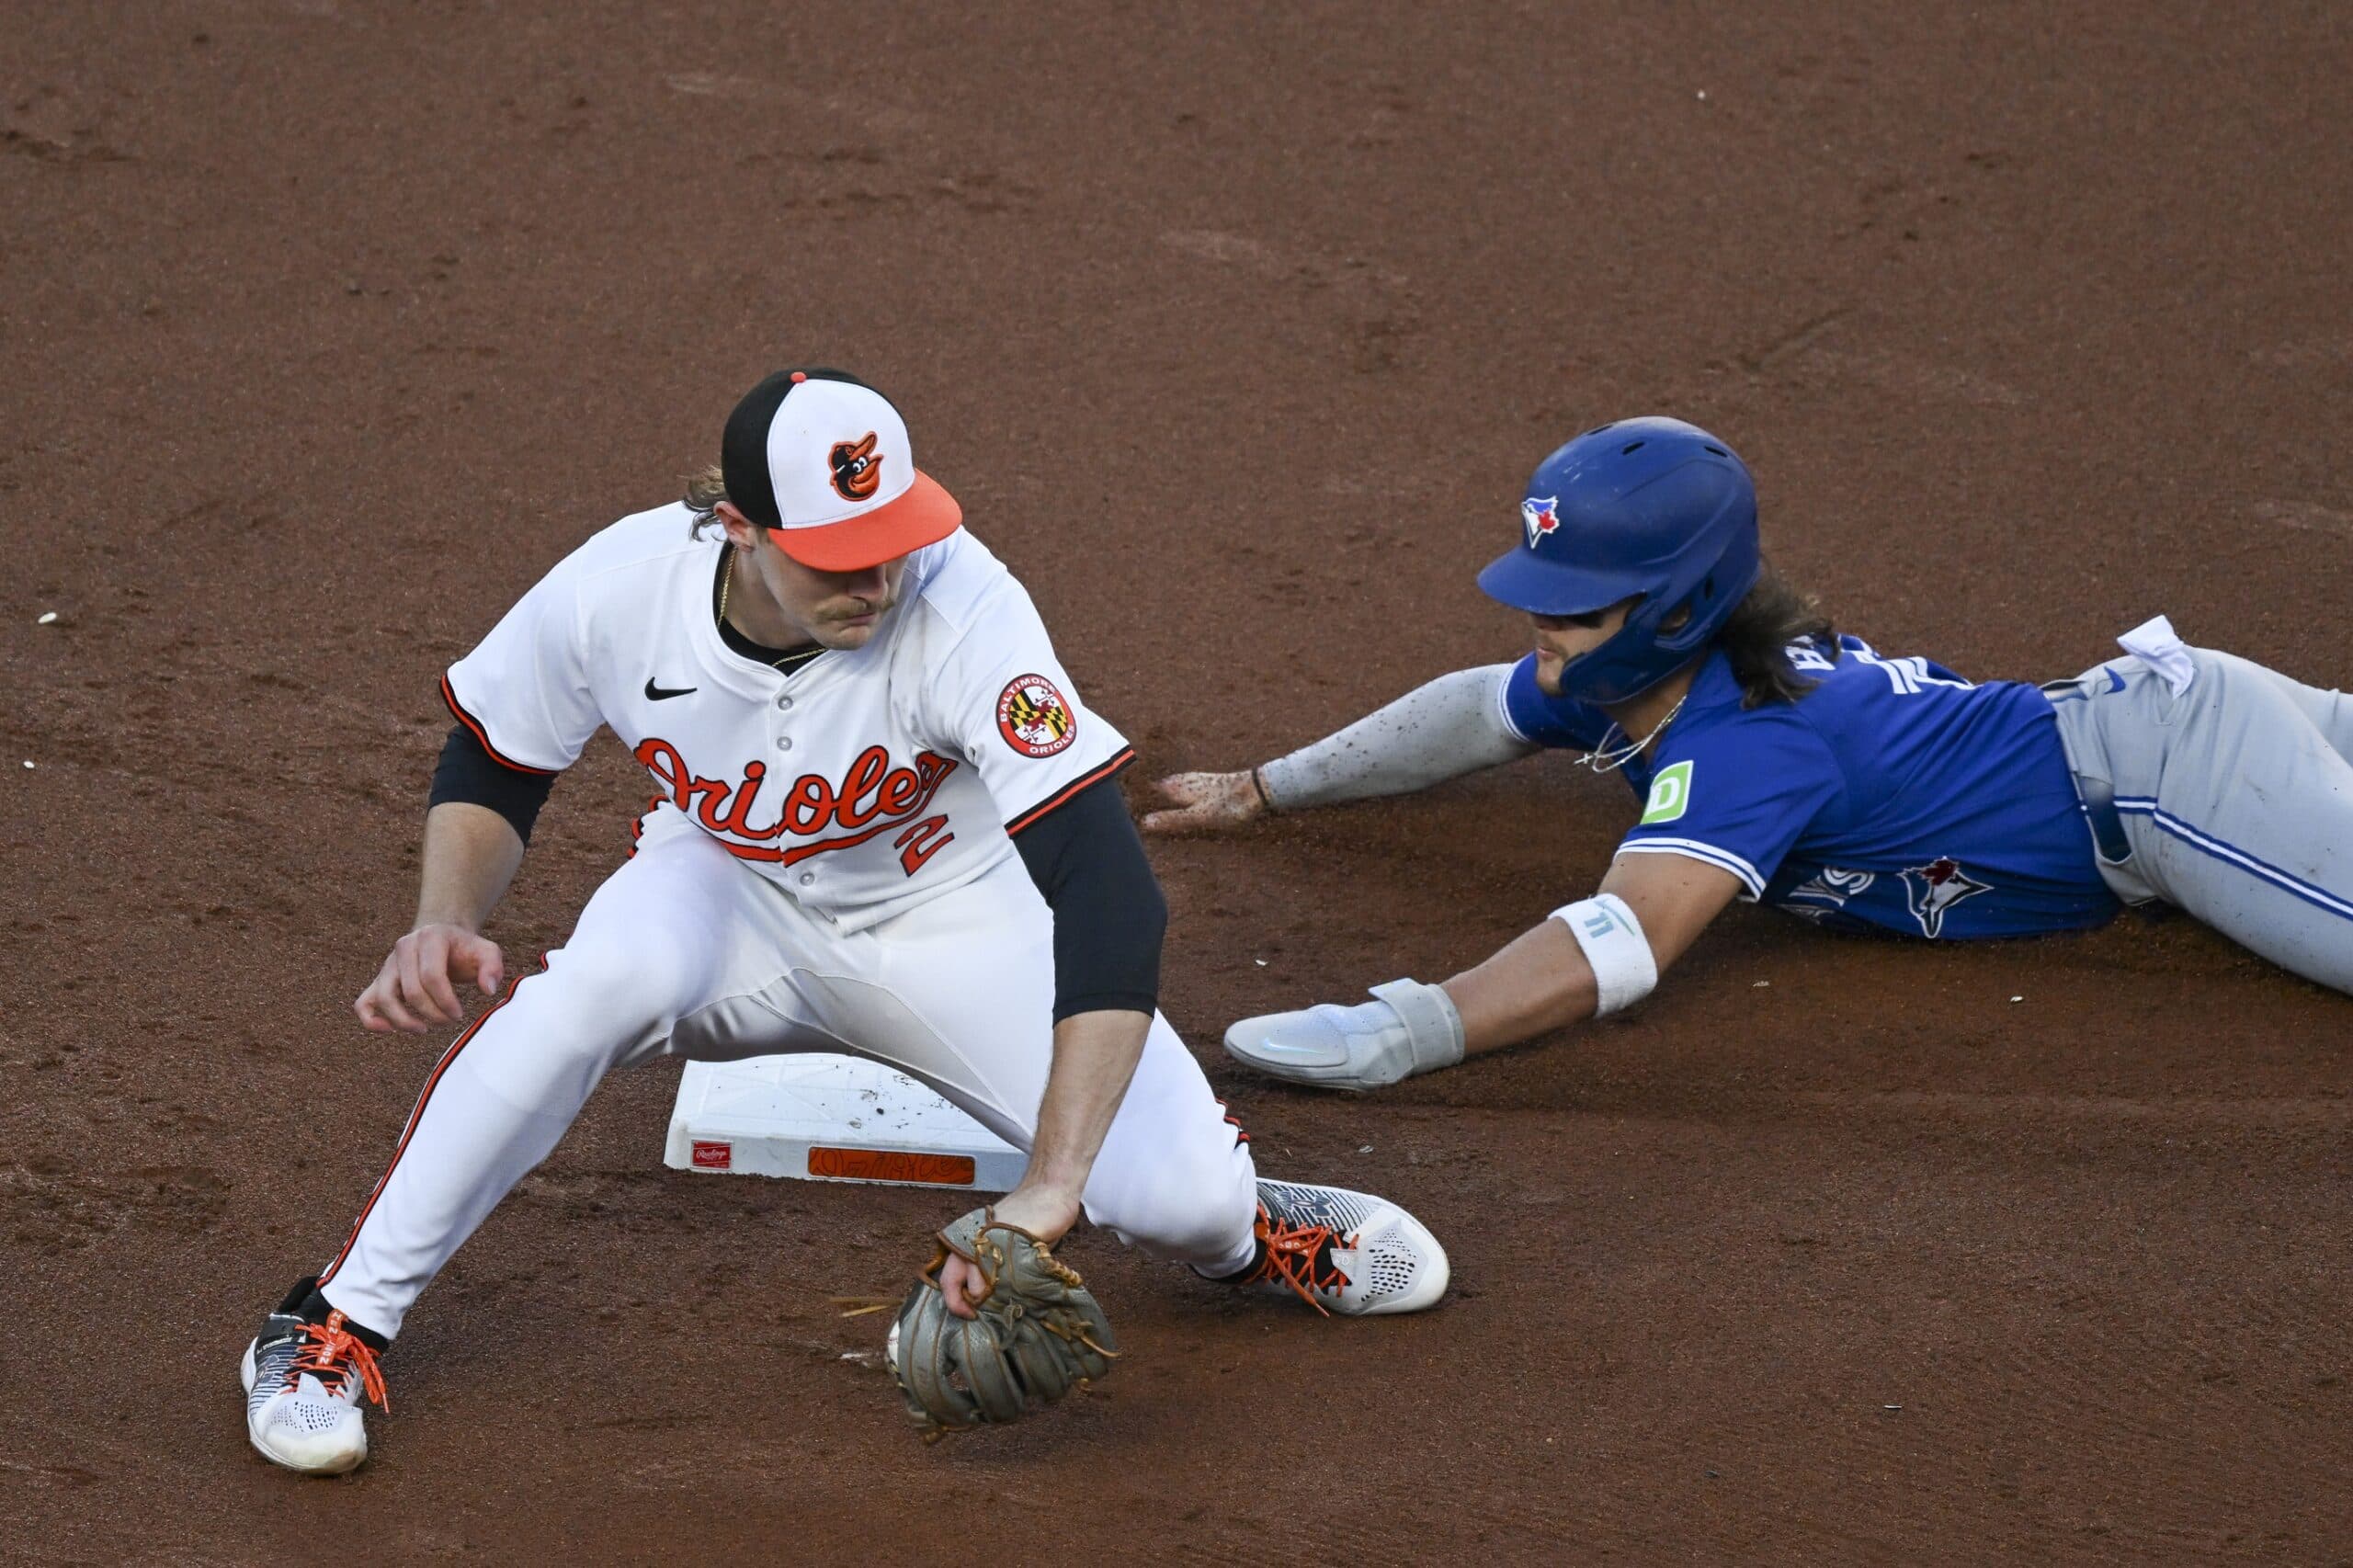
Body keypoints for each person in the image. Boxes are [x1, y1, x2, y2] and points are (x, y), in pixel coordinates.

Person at [241, 368, 1448, 1477]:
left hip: (957, 917)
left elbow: (1109, 889)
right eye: (838, 558)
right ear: (740, 530)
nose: (877, 583)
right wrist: (442, 916)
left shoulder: (966, 607)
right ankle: (331, 1321)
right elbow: (498, 754)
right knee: (590, 989)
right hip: (727, 898)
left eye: (894, 545)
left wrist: (1052, 1184)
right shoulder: (620, 590)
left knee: (1180, 1198)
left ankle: (1247, 1234)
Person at [1143, 415, 2353, 1092]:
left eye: (1577, 606)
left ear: (1675, 604)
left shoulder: (1746, 741)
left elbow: (1618, 942)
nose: (1541, 632)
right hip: (2179, 724)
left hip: (2183, 785)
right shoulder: (1654, 673)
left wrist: (1401, 1030)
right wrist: (1266, 788)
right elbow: (1474, 711)